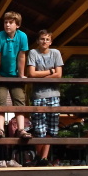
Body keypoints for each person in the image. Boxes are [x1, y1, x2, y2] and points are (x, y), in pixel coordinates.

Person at [26, 29, 64, 166]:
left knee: (52, 128)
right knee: (39, 128)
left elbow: (59, 74)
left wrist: (41, 75)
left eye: (47, 39)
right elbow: (31, 73)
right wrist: (51, 71)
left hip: (54, 94)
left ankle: (43, 157)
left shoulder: (56, 53)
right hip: (38, 95)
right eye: (42, 39)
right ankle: (38, 156)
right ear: (38, 41)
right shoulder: (33, 53)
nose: (44, 41)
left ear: (51, 42)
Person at [0, 11, 29, 141]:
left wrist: (21, 75)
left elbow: (22, 56)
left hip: (15, 75)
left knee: (19, 99)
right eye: (5, 22)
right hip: (2, 74)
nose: (7, 25)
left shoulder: (22, 36)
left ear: (17, 25)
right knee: (0, 99)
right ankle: (0, 129)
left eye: (10, 22)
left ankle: (21, 129)